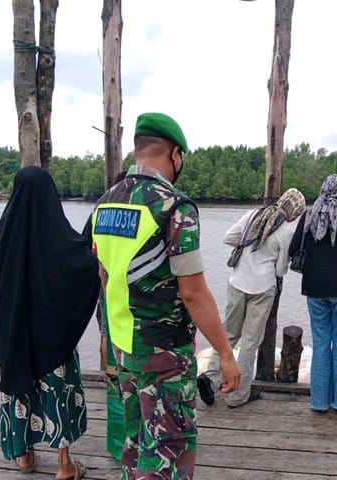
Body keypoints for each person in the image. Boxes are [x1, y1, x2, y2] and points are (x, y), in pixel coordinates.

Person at [91, 112, 241, 479]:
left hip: (123, 349)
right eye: (182, 159)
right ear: (175, 154)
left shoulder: (106, 204)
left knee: (134, 446)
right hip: (165, 358)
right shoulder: (174, 207)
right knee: (168, 450)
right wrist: (225, 352)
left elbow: (104, 275)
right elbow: (193, 293)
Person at [0, 166, 100, 479]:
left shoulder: (6, 229)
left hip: (12, 327)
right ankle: (64, 465)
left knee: (18, 386)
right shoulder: (55, 232)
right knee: (58, 389)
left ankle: (24, 456)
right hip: (50, 332)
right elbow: (79, 264)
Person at [198, 188, 306, 407]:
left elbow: (229, 237)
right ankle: (238, 395)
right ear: (295, 210)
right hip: (262, 287)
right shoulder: (286, 230)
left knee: (228, 334)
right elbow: (281, 270)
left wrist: (246, 248)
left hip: (237, 280)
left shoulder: (254, 214)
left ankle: (211, 378)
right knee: (250, 341)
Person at [288, 173, 337, 412]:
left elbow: (293, 250)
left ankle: (319, 402)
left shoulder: (307, 216)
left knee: (321, 346)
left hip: (314, 290)